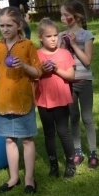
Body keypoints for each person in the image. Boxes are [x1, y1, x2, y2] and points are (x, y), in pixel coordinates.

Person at [0, 7, 42, 194]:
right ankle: (14, 177)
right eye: (1, 26)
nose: (5, 29)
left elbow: (38, 72)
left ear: (19, 25)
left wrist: (23, 65)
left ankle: (29, 180)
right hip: (3, 101)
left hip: (23, 100)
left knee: (27, 140)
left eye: (9, 25)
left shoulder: (28, 45)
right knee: (9, 140)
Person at [60, 0, 99, 169]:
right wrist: (64, 43)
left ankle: (93, 152)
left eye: (65, 15)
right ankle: (78, 151)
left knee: (87, 118)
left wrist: (75, 44)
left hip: (84, 82)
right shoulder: (62, 35)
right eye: (61, 14)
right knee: (73, 117)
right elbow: (60, 58)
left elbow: (87, 61)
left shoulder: (86, 35)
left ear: (75, 17)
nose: (62, 18)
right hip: (68, 82)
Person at [35, 18, 76, 179]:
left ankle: (70, 164)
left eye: (55, 35)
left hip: (61, 99)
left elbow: (71, 76)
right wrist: (42, 71)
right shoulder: (36, 55)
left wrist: (57, 69)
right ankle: (53, 165)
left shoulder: (65, 53)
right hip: (43, 99)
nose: (53, 39)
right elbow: (33, 76)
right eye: (48, 36)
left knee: (63, 132)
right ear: (40, 38)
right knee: (49, 133)